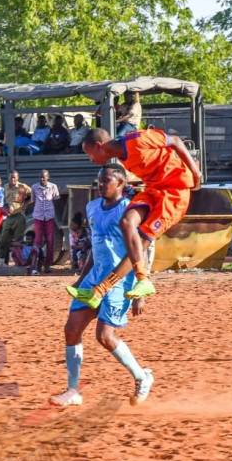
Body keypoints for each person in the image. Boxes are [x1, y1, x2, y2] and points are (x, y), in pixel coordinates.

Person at [50, 165, 152, 408]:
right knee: (71, 329)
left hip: (119, 281)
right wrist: (81, 278)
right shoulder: (92, 207)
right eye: (99, 180)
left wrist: (141, 287)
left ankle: (142, 377)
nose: (100, 184)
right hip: (93, 278)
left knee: (105, 337)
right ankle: (73, 390)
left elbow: (140, 251)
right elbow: (97, 247)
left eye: (106, 180)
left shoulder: (130, 211)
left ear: (121, 184)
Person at [71, 127, 202, 307]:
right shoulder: (123, 157)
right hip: (152, 191)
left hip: (174, 195)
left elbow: (176, 141)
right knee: (126, 222)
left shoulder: (138, 140)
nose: (90, 159)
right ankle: (137, 281)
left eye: (89, 154)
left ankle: (110, 288)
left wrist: (195, 171)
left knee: (141, 243)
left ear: (100, 146)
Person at [0, 171, 32, 265]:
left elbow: (31, 195)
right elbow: (3, 200)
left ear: (17, 178)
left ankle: (19, 262)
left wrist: (25, 204)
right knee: (3, 240)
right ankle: (2, 262)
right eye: (11, 178)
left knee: (18, 240)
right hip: (8, 217)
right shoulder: (5, 187)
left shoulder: (22, 186)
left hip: (19, 216)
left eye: (14, 177)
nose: (12, 179)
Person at [31, 170, 61, 274]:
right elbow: (33, 200)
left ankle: (47, 266)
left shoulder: (53, 187)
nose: (42, 179)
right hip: (38, 216)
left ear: (48, 178)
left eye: (44, 177)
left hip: (49, 217)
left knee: (50, 241)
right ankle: (35, 266)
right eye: (40, 177)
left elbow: (56, 199)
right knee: (37, 240)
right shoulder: (34, 187)